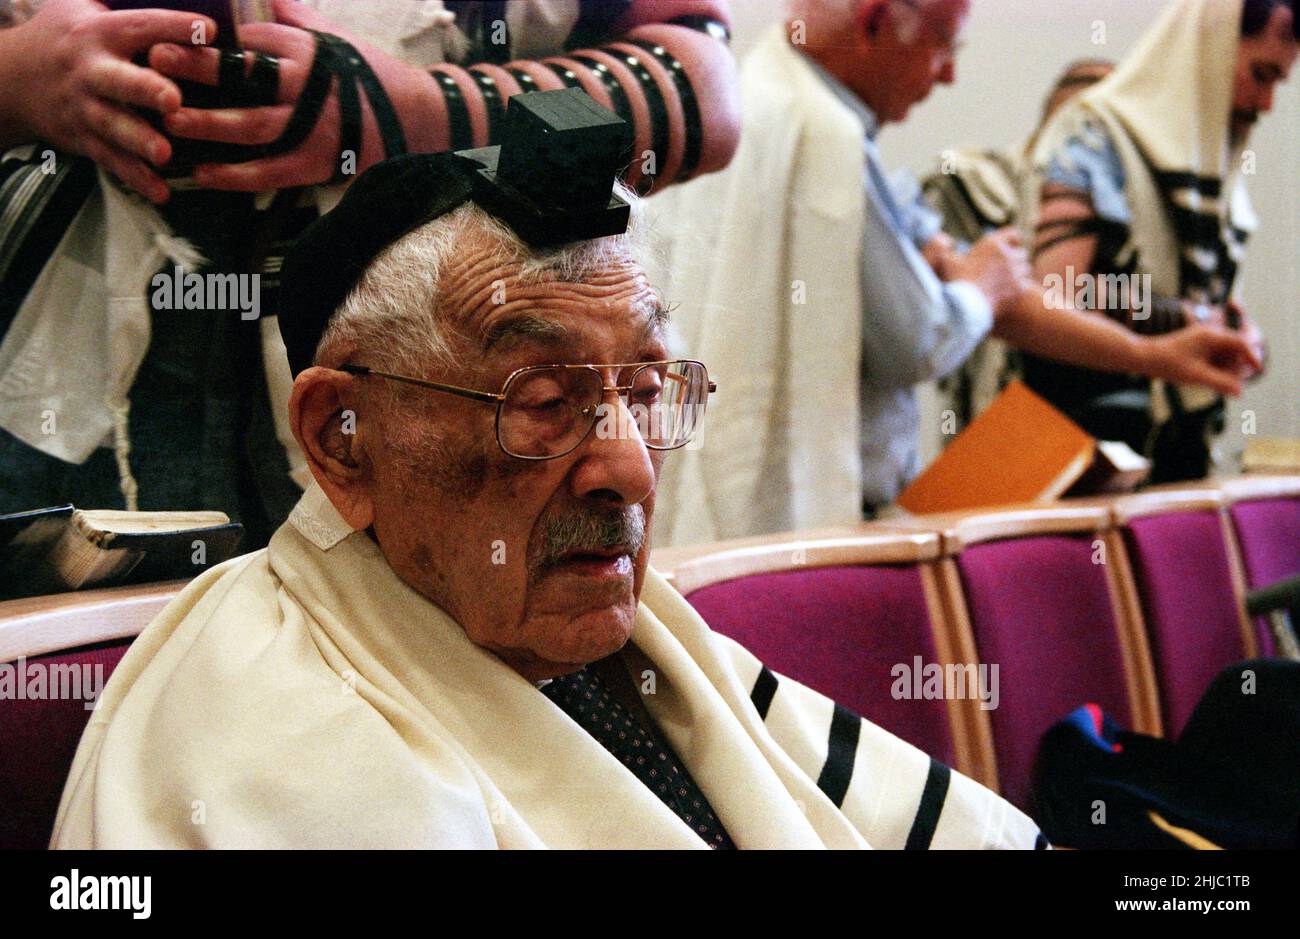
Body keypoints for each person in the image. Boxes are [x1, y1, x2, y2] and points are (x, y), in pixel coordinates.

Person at [51, 137, 1045, 849]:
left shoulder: (652, 643)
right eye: (539, 402)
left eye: (647, 393)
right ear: (342, 440)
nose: (629, 468)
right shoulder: (268, 729)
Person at [0, 0, 739, 550]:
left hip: (435, 360)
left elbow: (707, 91)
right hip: (61, 374)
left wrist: (421, 111)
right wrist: (19, 79)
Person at [643, 0, 1261, 547]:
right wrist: (980, 288)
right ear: (878, 21)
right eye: (944, 44)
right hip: (797, 522)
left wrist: (1162, 356)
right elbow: (922, 340)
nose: (949, 74)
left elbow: (1005, 298)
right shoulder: (821, 136)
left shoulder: (759, 95)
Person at [1022, 0, 1294, 483]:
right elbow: (1057, 290)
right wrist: (1186, 319)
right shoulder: (1097, 135)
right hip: (1073, 455)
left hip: (1172, 455)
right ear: (1211, 52)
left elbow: (1214, 301)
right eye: (1261, 74)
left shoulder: (1211, 160)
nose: (1267, 103)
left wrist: (1240, 338)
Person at [922, 59, 1114, 433]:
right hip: (996, 421)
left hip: (1107, 421)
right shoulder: (968, 185)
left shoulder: (1131, 208)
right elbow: (1024, 296)